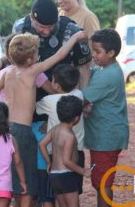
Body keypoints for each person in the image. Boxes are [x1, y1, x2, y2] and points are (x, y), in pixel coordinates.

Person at [0, 31, 87, 207]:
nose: (38, 56)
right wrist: (75, 37)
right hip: (23, 131)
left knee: (12, 176)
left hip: (6, 128)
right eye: (36, 53)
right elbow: (60, 55)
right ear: (29, 60)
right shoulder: (32, 71)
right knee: (27, 179)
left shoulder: (7, 72)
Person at [81, 28, 130, 207]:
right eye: (93, 50)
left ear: (111, 52)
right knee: (101, 181)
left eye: (98, 52)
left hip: (106, 136)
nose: (94, 55)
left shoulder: (107, 75)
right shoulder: (106, 69)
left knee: (103, 183)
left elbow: (82, 99)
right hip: (105, 135)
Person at [12, 0, 92, 91]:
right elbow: (13, 63)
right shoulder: (20, 28)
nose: (46, 32)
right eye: (42, 26)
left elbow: (83, 68)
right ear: (31, 18)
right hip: (28, 93)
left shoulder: (72, 31)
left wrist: (82, 99)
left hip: (62, 96)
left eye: (51, 27)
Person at [36, 64, 86, 196]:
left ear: (56, 85)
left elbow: (35, 108)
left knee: (59, 195)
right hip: (77, 153)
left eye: (52, 79)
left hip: (56, 155)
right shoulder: (79, 95)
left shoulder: (48, 101)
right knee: (74, 193)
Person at [39, 95, 91, 207]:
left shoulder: (55, 129)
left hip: (54, 175)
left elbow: (42, 144)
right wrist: (83, 171)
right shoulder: (69, 136)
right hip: (66, 175)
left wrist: (49, 162)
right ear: (77, 118)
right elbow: (66, 161)